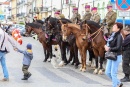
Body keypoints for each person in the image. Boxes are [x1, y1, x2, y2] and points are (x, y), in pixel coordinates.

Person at [104, 23, 123, 87]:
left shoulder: (119, 36)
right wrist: (106, 46)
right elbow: (109, 42)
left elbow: (118, 47)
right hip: (111, 55)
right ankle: (119, 83)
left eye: (115, 26)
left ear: (118, 28)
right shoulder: (112, 35)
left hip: (116, 56)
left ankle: (114, 85)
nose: (113, 27)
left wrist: (109, 48)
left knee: (113, 73)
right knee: (107, 72)